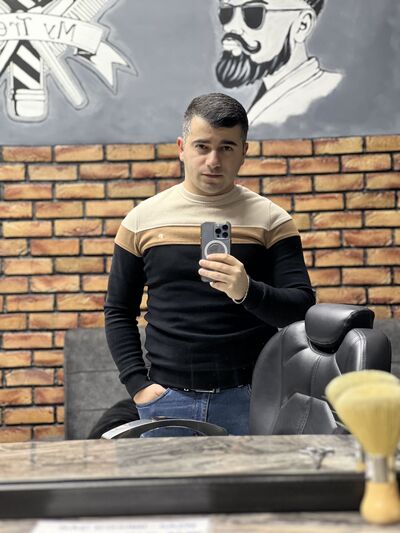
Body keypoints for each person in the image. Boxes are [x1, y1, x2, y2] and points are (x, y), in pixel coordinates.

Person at [104, 92, 315, 436]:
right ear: (181, 148)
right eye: (202, 146)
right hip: (165, 398)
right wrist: (137, 385)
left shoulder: (272, 220)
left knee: (252, 477)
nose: (213, 160)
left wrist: (247, 291)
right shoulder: (141, 220)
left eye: (227, 147)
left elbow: (301, 309)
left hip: (251, 397)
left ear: (244, 152)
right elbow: (118, 310)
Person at [216, 0, 343, 126]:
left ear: (302, 25)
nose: (231, 27)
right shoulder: (267, 94)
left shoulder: (330, 94)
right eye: (227, 12)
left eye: (253, 13)